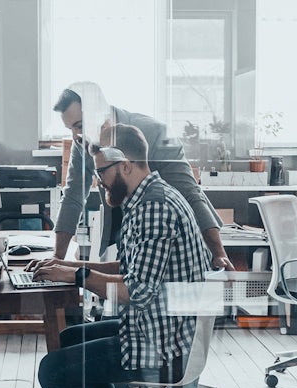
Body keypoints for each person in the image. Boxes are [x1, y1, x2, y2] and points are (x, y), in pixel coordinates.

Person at [32, 124, 213, 388]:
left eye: (101, 171)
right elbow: (131, 269)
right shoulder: (151, 196)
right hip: (167, 327)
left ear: (125, 165)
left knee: (53, 370)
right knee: (68, 339)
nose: (97, 181)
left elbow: (137, 291)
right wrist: (69, 266)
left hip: (168, 345)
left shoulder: (154, 209)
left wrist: (75, 278)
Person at [48, 82, 231, 270]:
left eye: (79, 126)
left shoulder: (153, 132)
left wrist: (219, 253)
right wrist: (57, 259)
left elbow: (189, 193)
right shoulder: (82, 142)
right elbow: (73, 196)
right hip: (128, 233)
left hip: (171, 234)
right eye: (70, 129)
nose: (76, 136)